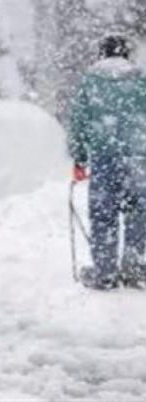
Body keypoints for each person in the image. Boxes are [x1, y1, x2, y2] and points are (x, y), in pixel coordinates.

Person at [68, 34, 146, 290]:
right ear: (126, 53)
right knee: (139, 213)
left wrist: (79, 157)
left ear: (102, 53)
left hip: (104, 157)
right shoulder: (141, 79)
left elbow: (79, 120)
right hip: (137, 155)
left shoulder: (90, 81)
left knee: (103, 215)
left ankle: (105, 272)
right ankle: (133, 268)